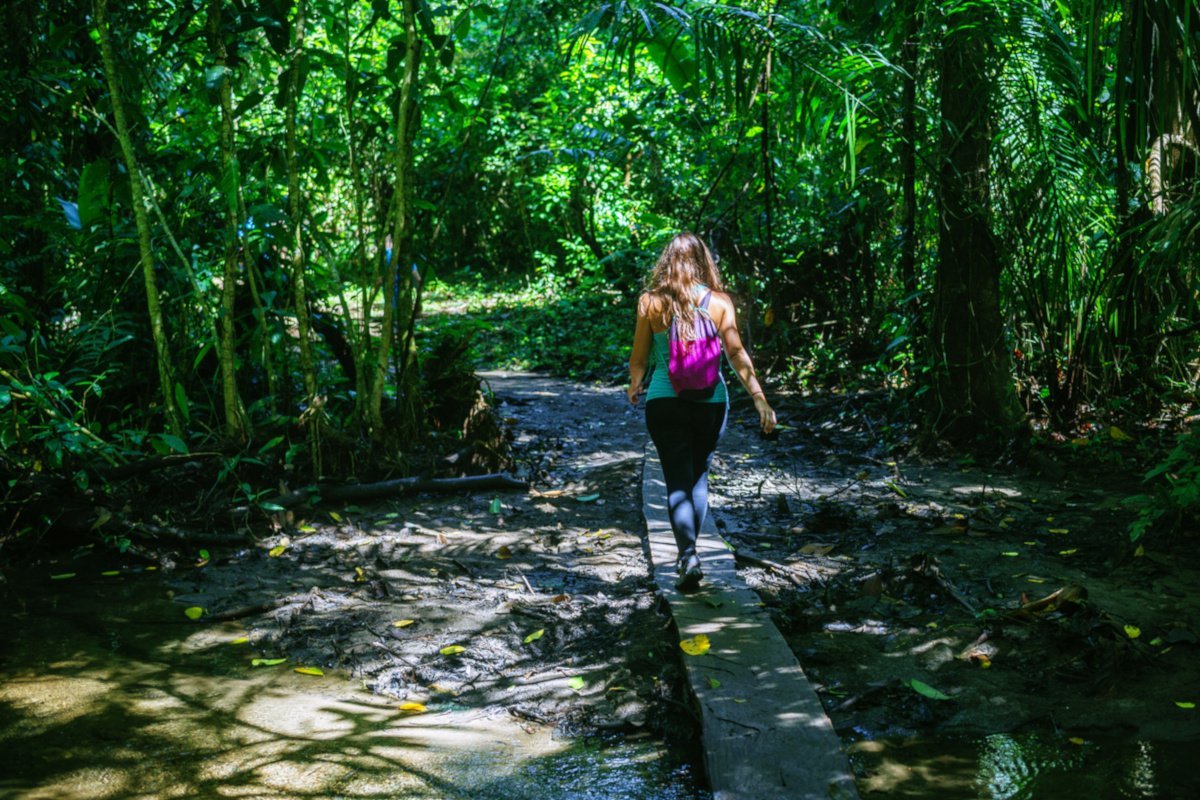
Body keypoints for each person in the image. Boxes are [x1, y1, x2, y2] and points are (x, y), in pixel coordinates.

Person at [627, 232, 776, 591]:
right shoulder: (720, 302)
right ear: (702, 261)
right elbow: (736, 354)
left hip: (664, 402)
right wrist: (759, 397)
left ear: (666, 261)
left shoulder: (650, 302)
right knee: (698, 478)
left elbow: (639, 358)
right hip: (711, 402)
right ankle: (691, 554)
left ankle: (688, 555)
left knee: (676, 480)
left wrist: (634, 384)